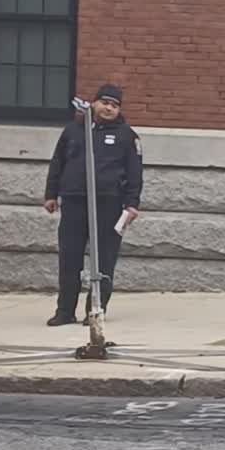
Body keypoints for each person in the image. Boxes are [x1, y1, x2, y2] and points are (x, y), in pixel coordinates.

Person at [42, 84, 143, 326]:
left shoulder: (127, 136)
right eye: (105, 102)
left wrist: (132, 204)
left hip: (109, 204)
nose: (109, 108)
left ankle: (95, 310)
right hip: (75, 201)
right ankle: (65, 311)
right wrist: (51, 194)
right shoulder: (74, 131)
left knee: (104, 259)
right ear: (94, 103)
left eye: (115, 105)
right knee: (70, 258)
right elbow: (58, 163)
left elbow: (135, 172)